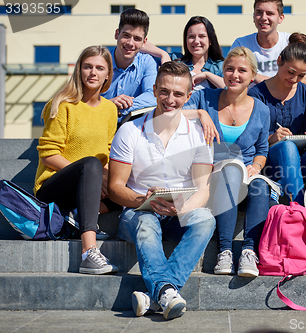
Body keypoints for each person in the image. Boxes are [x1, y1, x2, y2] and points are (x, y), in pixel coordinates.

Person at [108, 61, 215, 321]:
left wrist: (183, 208)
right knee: (145, 222)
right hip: (137, 211)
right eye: (164, 91)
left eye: (178, 94)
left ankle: (158, 294)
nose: (170, 99)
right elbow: (114, 188)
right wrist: (142, 200)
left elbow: (203, 190)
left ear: (189, 97)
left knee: (206, 220)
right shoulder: (130, 131)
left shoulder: (198, 136)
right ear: (154, 90)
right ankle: (167, 291)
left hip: (179, 211)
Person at [183, 47, 270, 277]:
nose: (235, 75)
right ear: (223, 72)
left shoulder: (261, 109)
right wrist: (201, 114)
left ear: (252, 76)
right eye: (230, 69)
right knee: (231, 170)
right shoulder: (205, 98)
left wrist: (257, 167)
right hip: (211, 172)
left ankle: (249, 251)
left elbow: (262, 150)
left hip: (246, 173)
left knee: (261, 185)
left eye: (242, 70)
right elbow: (172, 114)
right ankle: (225, 251)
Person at [34, 46, 119, 275]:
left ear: (108, 74)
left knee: (125, 183)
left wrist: (106, 177)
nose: (93, 72)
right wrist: (91, 172)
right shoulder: (63, 104)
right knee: (91, 164)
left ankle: (77, 215)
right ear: (79, 71)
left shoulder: (110, 109)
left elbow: (108, 152)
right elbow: (48, 154)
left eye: (99, 68)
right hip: (53, 187)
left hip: (88, 184)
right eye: (88, 66)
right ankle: (88, 252)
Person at [249, 40, 306, 205]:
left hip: (299, 158)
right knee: (287, 147)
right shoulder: (256, 94)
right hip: (268, 159)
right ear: (279, 61)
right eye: (291, 72)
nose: (295, 79)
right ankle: (299, 207)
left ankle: (280, 184)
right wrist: (272, 138)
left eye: (302, 75)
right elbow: (251, 139)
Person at [231, 0, 306, 86]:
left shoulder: (293, 42)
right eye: (259, 12)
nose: (263, 18)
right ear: (253, 16)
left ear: (280, 18)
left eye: (269, 13)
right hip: (252, 100)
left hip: (286, 100)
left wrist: (283, 80)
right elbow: (230, 77)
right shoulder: (241, 44)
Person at [101, 8, 157, 123]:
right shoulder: (100, 61)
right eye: (126, 35)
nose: (130, 43)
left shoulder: (147, 62)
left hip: (132, 129)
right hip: (98, 124)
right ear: (117, 34)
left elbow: (153, 95)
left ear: (144, 42)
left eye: (137, 39)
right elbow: (82, 97)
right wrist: (109, 105)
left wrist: (122, 108)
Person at [141, 16, 225, 90]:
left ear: (210, 40)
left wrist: (206, 75)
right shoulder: (176, 60)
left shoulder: (220, 66)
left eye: (201, 36)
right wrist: (163, 54)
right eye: (191, 36)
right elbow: (140, 44)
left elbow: (231, 89)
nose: (196, 41)